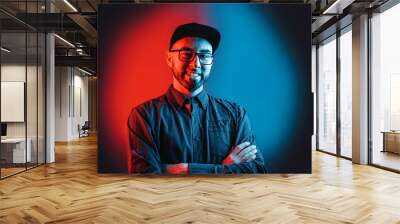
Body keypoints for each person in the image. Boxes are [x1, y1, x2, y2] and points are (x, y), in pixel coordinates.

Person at [128, 22, 266, 174]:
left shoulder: (236, 115)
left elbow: (257, 170)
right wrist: (224, 167)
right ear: (169, 58)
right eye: (187, 54)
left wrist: (185, 170)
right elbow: (144, 176)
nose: (196, 64)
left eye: (204, 55)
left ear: (211, 62)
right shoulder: (144, 116)